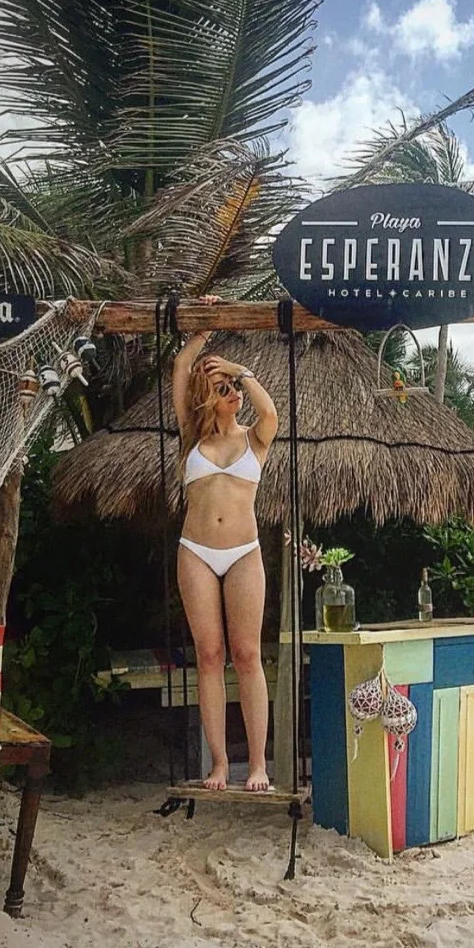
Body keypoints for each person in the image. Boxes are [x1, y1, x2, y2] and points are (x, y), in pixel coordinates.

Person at [172, 334, 278, 791]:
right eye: (223, 389)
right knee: (209, 655)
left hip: (243, 553)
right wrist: (200, 334)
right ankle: (218, 763)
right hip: (196, 550)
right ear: (207, 399)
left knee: (247, 654)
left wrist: (239, 370)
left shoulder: (255, 438)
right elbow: (181, 368)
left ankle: (257, 764)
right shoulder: (190, 436)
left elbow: (270, 412)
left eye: (234, 388)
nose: (234, 394)